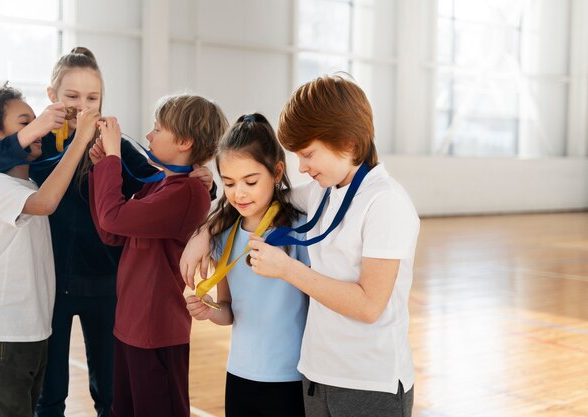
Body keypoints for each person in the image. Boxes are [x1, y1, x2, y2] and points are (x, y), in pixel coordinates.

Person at [0, 47, 216, 417]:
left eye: (92, 97)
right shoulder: (34, 148)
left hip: (107, 286)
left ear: (102, 101)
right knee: (49, 396)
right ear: (52, 97)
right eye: (71, 96)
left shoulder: (115, 145)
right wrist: (43, 133)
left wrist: (205, 183)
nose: (82, 105)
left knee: (111, 393)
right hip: (52, 291)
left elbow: (164, 185)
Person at [182, 74, 420, 417]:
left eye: (308, 154)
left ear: (349, 144)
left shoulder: (385, 203)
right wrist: (203, 232)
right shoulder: (323, 191)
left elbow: (370, 306)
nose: (303, 167)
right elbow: (252, 202)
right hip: (316, 375)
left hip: (369, 382)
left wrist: (288, 269)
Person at [88, 94, 228, 417]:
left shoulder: (188, 193)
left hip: (156, 332)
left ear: (183, 141)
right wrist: (100, 170)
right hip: (129, 325)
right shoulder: (161, 184)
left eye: (157, 128)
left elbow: (113, 218)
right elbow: (111, 232)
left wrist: (112, 157)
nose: (149, 136)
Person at [0, 84, 98, 416]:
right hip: (4, 333)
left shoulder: (30, 183)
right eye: (26, 123)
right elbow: (47, 203)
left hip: (34, 330)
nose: (37, 128)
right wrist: (80, 141)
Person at [185, 113, 310, 417]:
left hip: (290, 377)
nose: (239, 193)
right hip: (239, 374)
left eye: (250, 182)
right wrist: (211, 311)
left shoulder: (299, 229)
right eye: (228, 183)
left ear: (277, 172)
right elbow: (228, 310)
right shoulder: (223, 235)